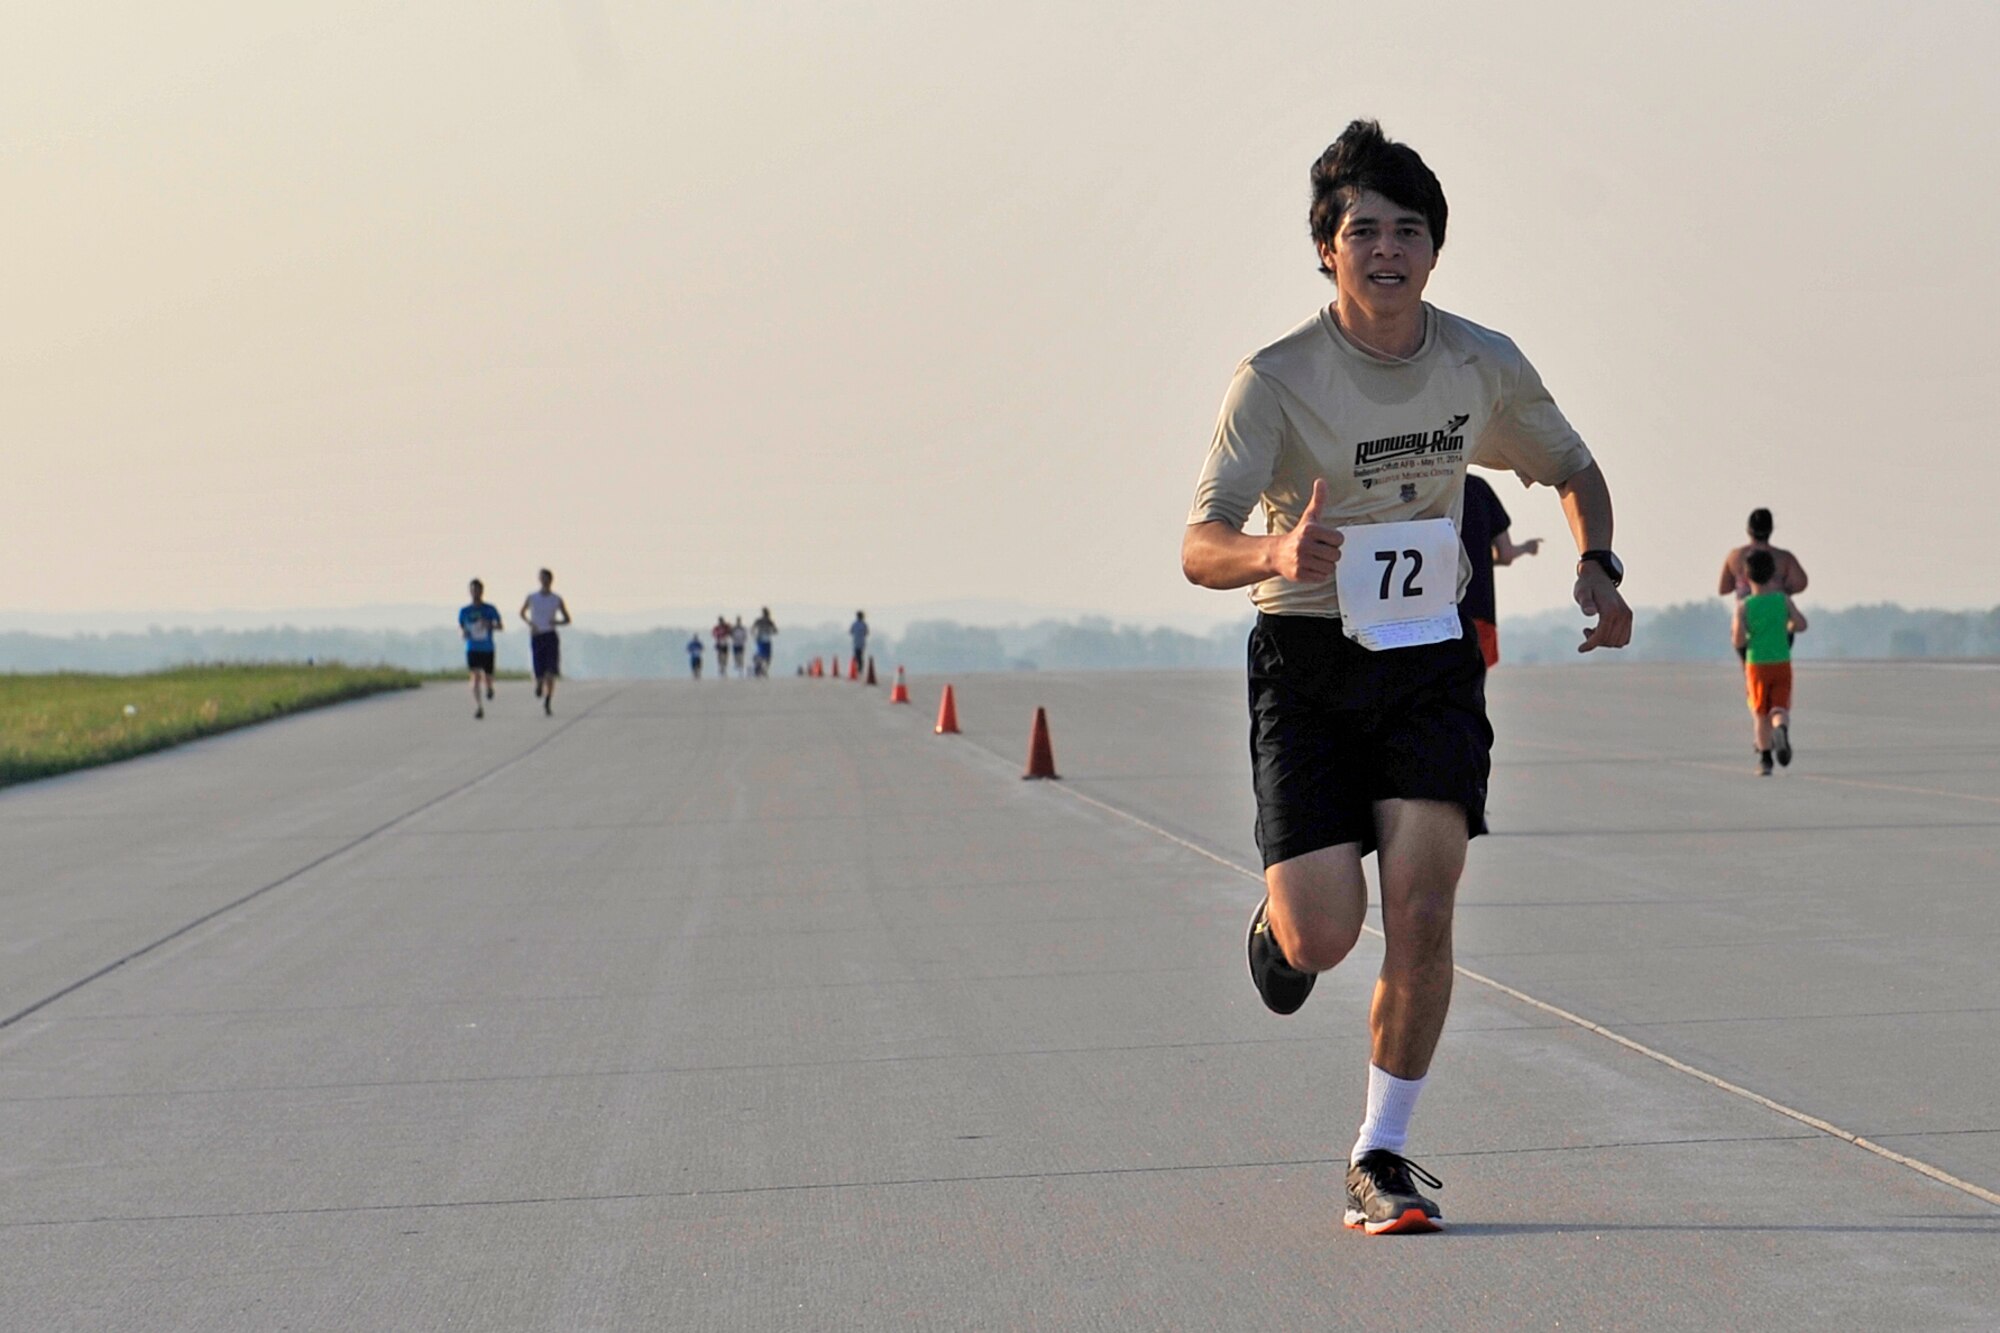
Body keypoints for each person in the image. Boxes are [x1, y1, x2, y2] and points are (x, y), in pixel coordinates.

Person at [1180, 120, 1631, 1235]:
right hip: (1305, 657)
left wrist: (1597, 564)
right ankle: (1278, 930)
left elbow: (1570, 467)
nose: (1385, 248)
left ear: (1434, 249)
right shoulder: (1274, 380)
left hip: (1427, 658)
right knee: (1326, 937)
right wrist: (1274, 553)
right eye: (1361, 230)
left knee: (1422, 912)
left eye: (1407, 231)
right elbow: (1199, 545)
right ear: (1325, 250)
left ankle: (1379, 1153)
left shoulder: (1479, 361)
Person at [1732, 548, 1807, 775]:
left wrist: (1747, 635)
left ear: (1746, 578)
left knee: (1760, 713)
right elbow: (1801, 624)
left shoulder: (1745, 606)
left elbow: (1737, 638)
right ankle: (1781, 728)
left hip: (1757, 665)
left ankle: (1765, 760)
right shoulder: (1782, 601)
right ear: (1774, 574)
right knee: (1779, 708)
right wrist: (1789, 626)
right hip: (1782, 662)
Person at [1459, 473, 1543, 669]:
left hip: (1431, 616)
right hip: (1479, 610)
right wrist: (1525, 548)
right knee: (1472, 692)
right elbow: (1505, 554)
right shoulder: (1478, 488)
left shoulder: (1428, 488)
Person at [520, 569, 571, 715]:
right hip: (537, 635)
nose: (544, 581)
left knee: (551, 671)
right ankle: (539, 684)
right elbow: (522, 612)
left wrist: (556, 621)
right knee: (539, 670)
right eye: (542, 578)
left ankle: (548, 699)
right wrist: (530, 623)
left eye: (547, 579)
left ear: (551, 580)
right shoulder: (532, 597)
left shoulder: (556, 599)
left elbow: (567, 619)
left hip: (550, 635)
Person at [457, 579, 504, 719]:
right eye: (473, 590)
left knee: (487, 676)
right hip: (472, 647)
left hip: (487, 648)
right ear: (469, 592)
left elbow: (500, 626)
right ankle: (479, 706)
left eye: (477, 590)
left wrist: (490, 625)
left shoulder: (490, 609)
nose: (475, 593)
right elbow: (460, 627)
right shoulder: (464, 611)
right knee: (475, 676)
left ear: (482, 591)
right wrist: (463, 633)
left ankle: (489, 688)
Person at [751, 607, 779, 678]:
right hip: (765, 640)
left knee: (762, 655)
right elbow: (775, 631)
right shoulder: (769, 621)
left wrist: (754, 634)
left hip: (760, 639)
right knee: (767, 656)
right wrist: (772, 632)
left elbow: (753, 628)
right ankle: (762, 669)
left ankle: (760, 668)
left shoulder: (760, 620)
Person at [848, 611, 869, 677]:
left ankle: (859, 668)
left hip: (858, 642)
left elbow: (851, 631)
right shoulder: (862, 624)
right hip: (859, 642)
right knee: (858, 655)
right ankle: (858, 667)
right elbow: (866, 633)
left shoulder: (857, 624)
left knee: (858, 655)